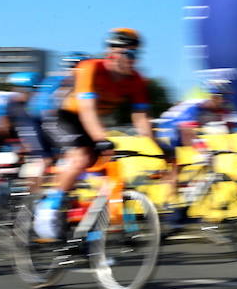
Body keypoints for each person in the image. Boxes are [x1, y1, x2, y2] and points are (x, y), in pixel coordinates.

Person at [34, 29, 154, 239]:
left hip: (91, 124)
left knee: (111, 173)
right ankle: (50, 206)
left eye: (137, 55)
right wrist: (101, 139)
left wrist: (155, 146)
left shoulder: (136, 80)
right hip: (65, 118)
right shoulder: (89, 68)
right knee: (82, 157)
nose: (133, 61)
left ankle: (91, 230)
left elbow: (141, 118)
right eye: (130, 55)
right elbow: (87, 110)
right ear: (113, 53)